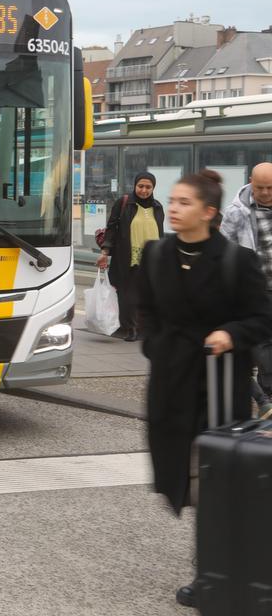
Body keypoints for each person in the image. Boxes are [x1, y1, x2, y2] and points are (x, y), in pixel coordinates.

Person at [135, 169, 272, 609]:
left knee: (214, 482)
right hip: (172, 385)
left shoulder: (237, 262)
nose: (173, 209)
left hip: (219, 386)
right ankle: (219, 564)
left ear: (210, 213)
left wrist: (231, 333)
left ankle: (209, 573)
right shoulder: (156, 254)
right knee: (190, 484)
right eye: (172, 201)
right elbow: (147, 312)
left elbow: (262, 319)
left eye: (184, 203)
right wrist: (157, 348)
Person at [219, 162, 272, 416]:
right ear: (251, 181)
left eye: (270, 188)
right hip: (254, 291)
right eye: (260, 187)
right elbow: (224, 246)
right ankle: (267, 399)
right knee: (261, 348)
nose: (265, 193)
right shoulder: (237, 211)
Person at [97, 173, 164, 342]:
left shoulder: (157, 207)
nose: (144, 190)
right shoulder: (124, 203)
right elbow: (111, 228)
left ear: (153, 188)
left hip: (151, 258)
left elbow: (160, 232)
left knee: (146, 293)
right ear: (135, 186)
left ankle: (144, 326)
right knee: (128, 294)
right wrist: (105, 252)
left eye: (148, 187)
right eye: (140, 186)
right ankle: (130, 328)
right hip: (127, 256)